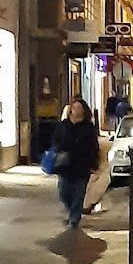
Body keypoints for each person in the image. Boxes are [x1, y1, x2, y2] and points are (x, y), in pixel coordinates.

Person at [52, 98, 101, 229]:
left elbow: (94, 146)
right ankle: (71, 212)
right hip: (65, 165)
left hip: (82, 166)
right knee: (63, 193)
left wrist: (94, 164)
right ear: (70, 110)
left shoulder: (89, 127)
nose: (77, 111)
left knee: (78, 194)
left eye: (80, 108)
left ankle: (74, 219)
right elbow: (55, 141)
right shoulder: (63, 125)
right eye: (75, 108)